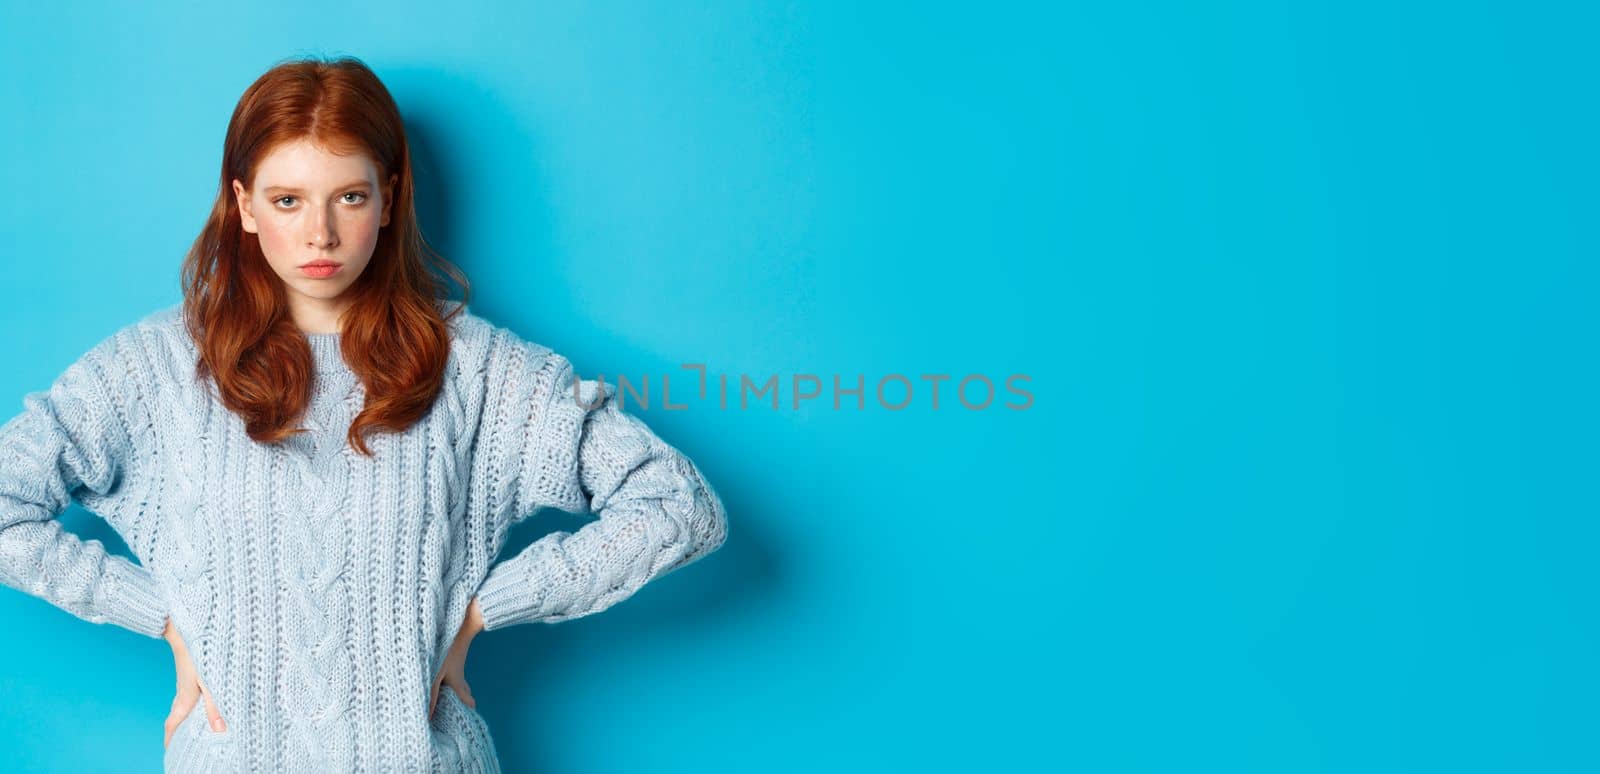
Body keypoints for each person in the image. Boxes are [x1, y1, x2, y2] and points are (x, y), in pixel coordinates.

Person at [0, 54, 729, 773]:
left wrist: (481, 610)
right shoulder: (153, 368)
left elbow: (679, 507)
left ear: (389, 198)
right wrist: (165, 618)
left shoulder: (481, 368)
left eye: (348, 197)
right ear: (244, 204)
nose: (320, 234)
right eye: (288, 200)